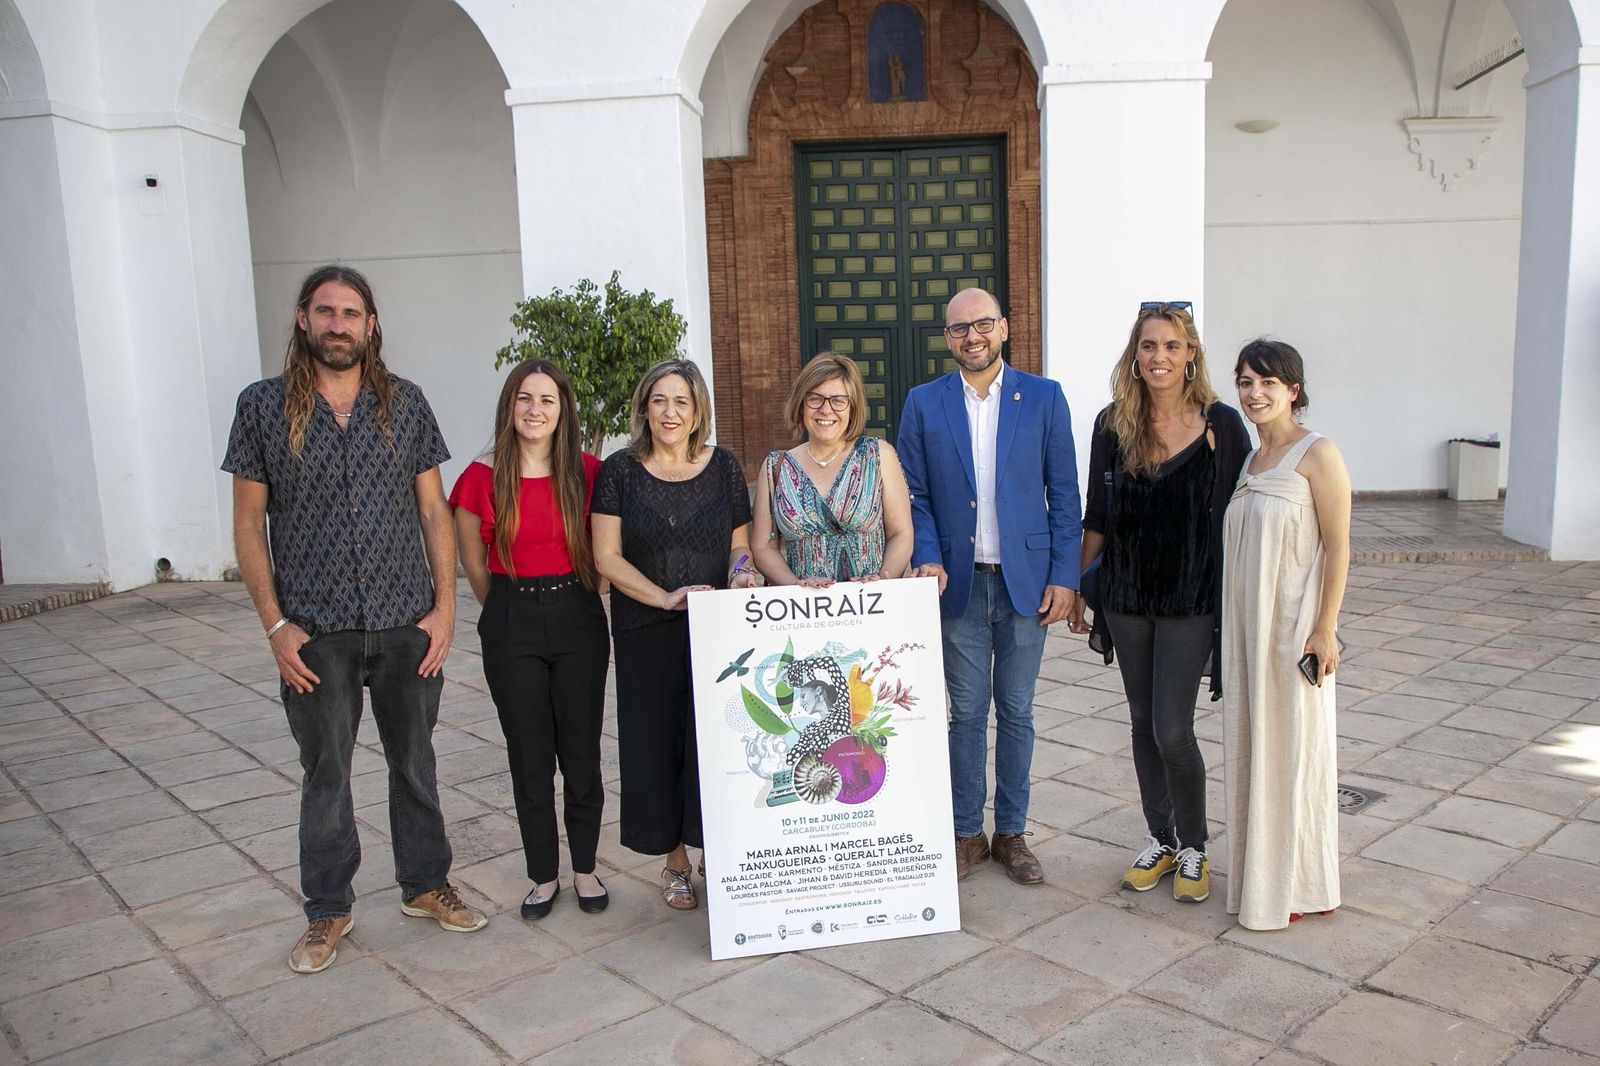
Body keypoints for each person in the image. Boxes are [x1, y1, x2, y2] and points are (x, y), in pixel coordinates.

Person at [224, 264, 486, 976]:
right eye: (325, 312)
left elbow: (434, 510)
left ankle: (426, 884)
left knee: (415, 762)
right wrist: (276, 626)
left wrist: (444, 608)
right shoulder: (262, 407)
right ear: (303, 320)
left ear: (372, 325)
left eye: (351, 313)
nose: (338, 324)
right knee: (327, 772)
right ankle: (327, 908)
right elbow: (248, 523)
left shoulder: (404, 404)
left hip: (406, 623)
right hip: (317, 631)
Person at [897, 287, 1081, 885]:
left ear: (1004, 326)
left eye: (982, 324)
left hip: (1027, 584)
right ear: (947, 338)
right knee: (966, 713)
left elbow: (1065, 497)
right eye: (958, 329)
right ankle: (964, 833)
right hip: (958, 585)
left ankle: (1013, 833)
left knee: (1019, 711)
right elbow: (913, 493)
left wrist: (1065, 576)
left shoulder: (1046, 398)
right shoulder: (923, 404)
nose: (971, 336)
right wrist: (925, 555)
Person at [1070, 301, 1249, 905]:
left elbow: (1242, 514)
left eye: (1172, 346)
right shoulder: (1111, 424)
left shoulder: (1223, 424)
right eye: (1149, 346)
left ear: (1191, 353)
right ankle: (1161, 839)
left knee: (1174, 727)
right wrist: (1075, 586)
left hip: (1192, 596)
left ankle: (1195, 844)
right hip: (1126, 594)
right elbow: (1096, 514)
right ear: (1135, 355)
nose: (1160, 357)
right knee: (1143, 723)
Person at [591, 358, 757, 910]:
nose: (669, 411)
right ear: (644, 407)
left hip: (716, 631)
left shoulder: (725, 467)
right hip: (646, 628)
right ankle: (676, 862)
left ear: (697, 411)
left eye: (681, 401)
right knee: (658, 745)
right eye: (659, 399)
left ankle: (720, 849)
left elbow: (740, 544)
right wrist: (663, 596)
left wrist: (740, 572)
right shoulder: (619, 471)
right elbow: (606, 558)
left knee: (716, 742)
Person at [450, 358, 610, 920]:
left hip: (577, 615)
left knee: (582, 755)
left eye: (546, 400)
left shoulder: (589, 472)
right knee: (530, 757)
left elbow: (607, 549)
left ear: (563, 409)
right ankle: (543, 875)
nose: (535, 410)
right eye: (524, 398)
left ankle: (586, 868)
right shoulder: (480, 476)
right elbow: (473, 564)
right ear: (509, 406)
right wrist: (510, 606)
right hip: (512, 614)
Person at [1223, 339, 1351, 930]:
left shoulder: (1317, 453)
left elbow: (1338, 545)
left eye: (1268, 382)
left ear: (1293, 389)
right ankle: (1261, 881)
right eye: (1246, 382)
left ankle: (1300, 883)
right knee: (1258, 750)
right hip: (1249, 632)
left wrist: (1325, 629)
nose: (1255, 393)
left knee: (1295, 754)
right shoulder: (1250, 462)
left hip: (1295, 629)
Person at [751, 352, 913, 586]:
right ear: (801, 403)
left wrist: (882, 579)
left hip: (873, 606)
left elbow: (902, 533)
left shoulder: (878, 455)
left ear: (852, 407)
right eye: (815, 399)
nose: (826, 410)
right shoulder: (776, 467)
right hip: (805, 612)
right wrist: (795, 585)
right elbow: (763, 547)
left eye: (838, 400)